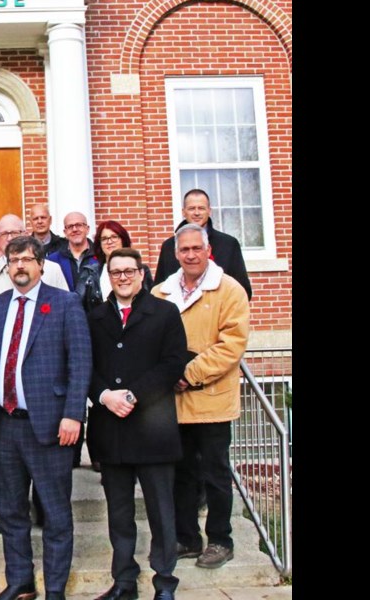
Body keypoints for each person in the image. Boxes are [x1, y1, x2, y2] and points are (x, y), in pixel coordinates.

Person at [0, 235, 91, 600]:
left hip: (50, 426)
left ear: (41, 264)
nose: (20, 266)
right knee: (10, 513)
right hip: (4, 426)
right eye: (14, 261)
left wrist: (74, 414)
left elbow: (80, 362)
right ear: (6, 267)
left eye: (28, 259)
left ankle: (55, 589)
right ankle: (21, 583)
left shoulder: (65, 304)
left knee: (56, 515)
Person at [88, 248, 189, 600]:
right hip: (109, 429)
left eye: (129, 271)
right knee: (119, 513)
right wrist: (104, 395)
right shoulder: (95, 316)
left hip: (152, 428)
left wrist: (133, 395)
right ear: (109, 277)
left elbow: (174, 362)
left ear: (142, 274)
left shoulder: (164, 312)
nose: (123, 277)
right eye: (115, 272)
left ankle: (164, 582)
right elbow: (85, 366)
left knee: (161, 510)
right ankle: (125, 581)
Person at [152, 224, 250, 569]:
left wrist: (188, 374)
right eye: (184, 250)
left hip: (212, 400)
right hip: (174, 405)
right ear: (176, 254)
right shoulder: (161, 292)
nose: (190, 255)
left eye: (197, 248)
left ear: (209, 251)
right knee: (181, 474)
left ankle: (221, 540)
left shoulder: (229, 291)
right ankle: (187, 538)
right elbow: (151, 340)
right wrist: (167, 375)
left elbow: (231, 345)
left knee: (215, 473)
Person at [0, 214, 67, 482]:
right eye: (5, 234)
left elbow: (66, 319)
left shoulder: (52, 271)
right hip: (2, 388)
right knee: (8, 475)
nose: (11, 238)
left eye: (17, 232)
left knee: (47, 476)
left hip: (43, 388)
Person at [46, 211, 102, 467]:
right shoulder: (54, 259)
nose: (75, 229)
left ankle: (99, 452)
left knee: (99, 390)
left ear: (87, 227)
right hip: (68, 330)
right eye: (70, 226)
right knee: (73, 386)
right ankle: (74, 450)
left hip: (98, 327)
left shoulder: (99, 257)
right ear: (64, 231)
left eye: (79, 225)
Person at [154, 189, 252, 300]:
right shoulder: (169, 246)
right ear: (183, 212)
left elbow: (242, 291)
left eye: (201, 208)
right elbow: (160, 291)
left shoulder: (229, 245)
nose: (196, 213)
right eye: (191, 208)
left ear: (209, 211)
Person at [93, 220, 153, 300]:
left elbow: (150, 299)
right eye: (104, 239)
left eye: (114, 237)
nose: (109, 242)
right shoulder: (92, 272)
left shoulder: (142, 269)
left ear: (123, 240)